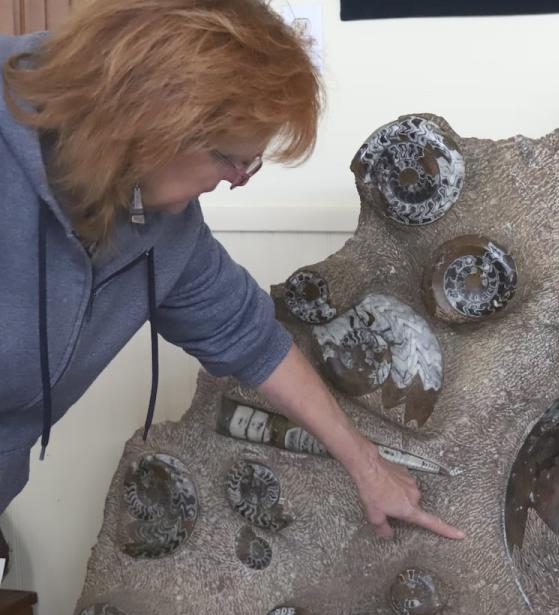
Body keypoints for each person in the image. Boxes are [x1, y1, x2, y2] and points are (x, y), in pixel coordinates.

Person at [0, 0, 464, 541]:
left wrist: (365, 464)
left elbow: (247, 335)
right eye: (233, 160)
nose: (239, 180)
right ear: (152, 123)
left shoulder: (163, 223)